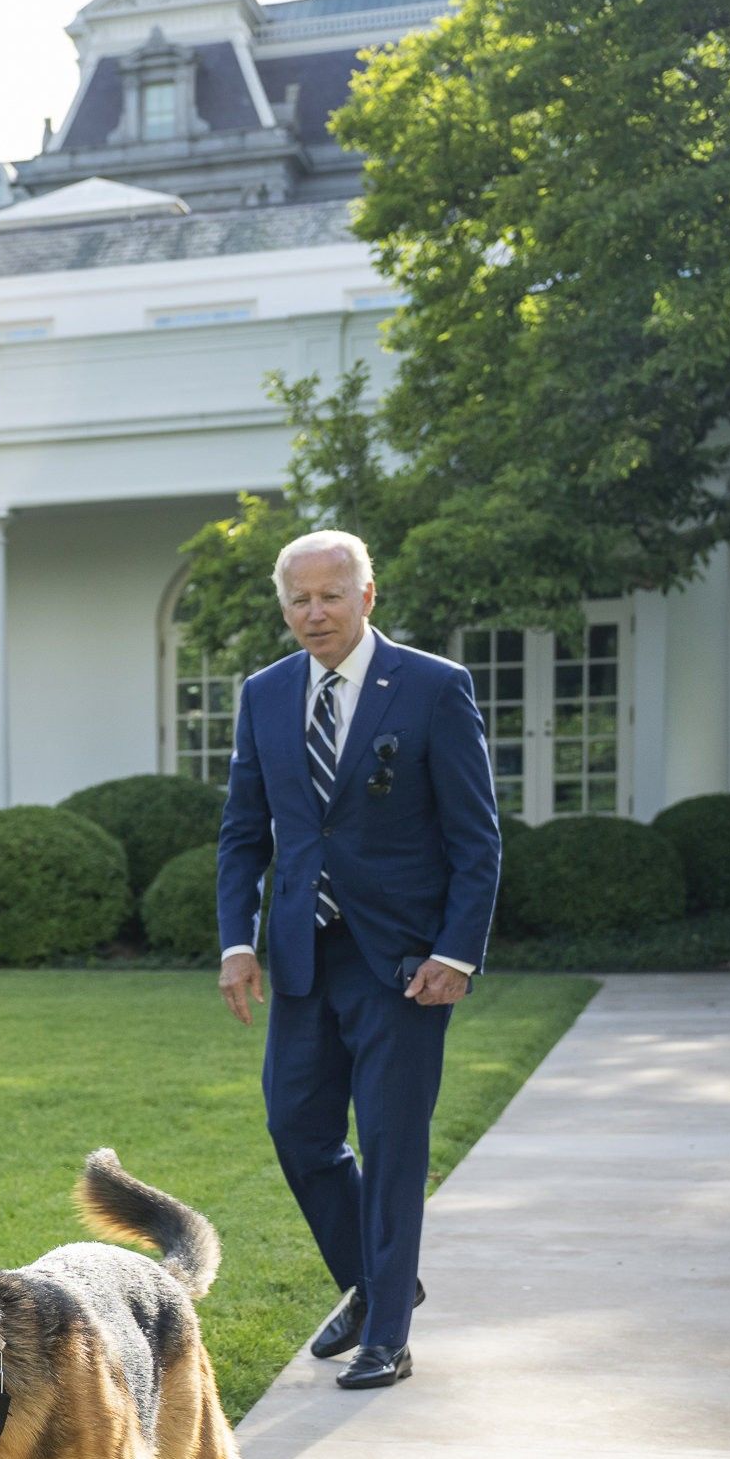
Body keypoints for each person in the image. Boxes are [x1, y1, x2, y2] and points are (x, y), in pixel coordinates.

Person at [215, 530, 500, 1388]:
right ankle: (381, 1285)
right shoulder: (265, 694)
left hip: (405, 965)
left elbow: (476, 838)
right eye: (298, 599)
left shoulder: (433, 687)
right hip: (304, 955)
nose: (314, 613)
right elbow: (244, 833)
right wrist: (238, 942)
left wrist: (457, 953)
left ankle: (387, 1337)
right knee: (297, 1131)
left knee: (390, 1142)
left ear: (366, 596)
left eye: (330, 595)